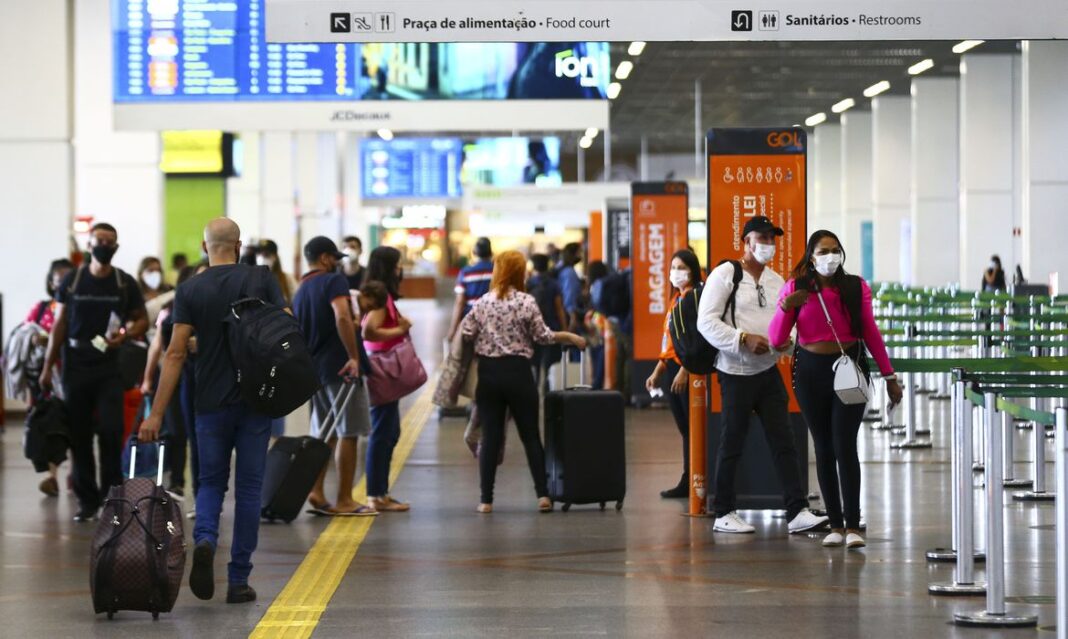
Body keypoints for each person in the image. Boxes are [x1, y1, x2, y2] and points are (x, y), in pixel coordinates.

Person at [139, 218, 287, 605]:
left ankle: (205, 539)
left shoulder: (189, 289)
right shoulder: (261, 279)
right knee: (250, 488)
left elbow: (173, 353)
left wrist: (155, 414)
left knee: (210, 483)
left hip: (209, 402)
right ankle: (238, 579)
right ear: (238, 245)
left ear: (206, 248)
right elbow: (287, 329)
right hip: (256, 399)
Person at [770, 230, 903, 550]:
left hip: (850, 369)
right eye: (823, 251)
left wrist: (889, 376)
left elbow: (870, 331)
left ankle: (853, 525)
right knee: (824, 447)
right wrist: (786, 306)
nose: (830, 256)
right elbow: (777, 340)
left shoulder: (856, 287)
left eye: (835, 250)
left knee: (845, 445)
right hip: (810, 372)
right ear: (811, 257)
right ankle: (835, 522)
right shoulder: (796, 287)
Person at [696, 216, 827, 536]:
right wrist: (742, 339)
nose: (767, 243)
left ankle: (796, 510)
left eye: (772, 238)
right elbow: (706, 322)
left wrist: (788, 343)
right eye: (761, 237)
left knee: (784, 440)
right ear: (746, 241)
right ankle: (723, 511)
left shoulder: (775, 280)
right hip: (735, 373)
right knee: (732, 441)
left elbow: (789, 322)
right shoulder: (726, 274)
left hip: (768, 372)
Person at [460, 250, 587, 514]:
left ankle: (486, 500)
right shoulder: (526, 302)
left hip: (489, 375)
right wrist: (570, 337)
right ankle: (543, 496)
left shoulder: (483, 302)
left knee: (490, 437)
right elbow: (543, 336)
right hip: (519, 373)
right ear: (520, 272)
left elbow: (466, 332)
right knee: (530, 436)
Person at [39, 223, 148, 522]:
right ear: (89, 245)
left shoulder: (123, 283)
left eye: (110, 241)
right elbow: (59, 324)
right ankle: (87, 501)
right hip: (75, 365)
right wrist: (48, 366)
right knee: (80, 435)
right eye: (100, 240)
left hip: (109, 366)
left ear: (116, 246)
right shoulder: (72, 281)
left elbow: (142, 320)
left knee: (112, 432)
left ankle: (112, 498)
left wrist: (125, 334)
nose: (104, 245)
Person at [293, 237, 376, 517]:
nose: (339, 262)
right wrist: (353, 356)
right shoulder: (333, 281)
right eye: (335, 258)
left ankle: (316, 491)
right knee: (348, 433)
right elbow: (342, 317)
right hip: (340, 368)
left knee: (325, 434)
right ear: (326, 258)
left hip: (314, 370)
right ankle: (344, 499)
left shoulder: (301, 288)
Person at [140, 264, 203, 497]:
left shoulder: (214, 309)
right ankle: (177, 481)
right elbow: (158, 346)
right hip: (173, 378)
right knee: (177, 431)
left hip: (200, 378)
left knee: (198, 436)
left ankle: (200, 490)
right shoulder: (170, 309)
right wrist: (147, 379)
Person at [362, 246, 414, 513]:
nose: (399, 269)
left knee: (390, 430)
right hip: (381, 368)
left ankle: (381, 492)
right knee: (383, 431)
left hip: (382, 368)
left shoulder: (379, 291)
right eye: (397, 264)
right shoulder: (380, 292)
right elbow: (369, 332)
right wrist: (400, 329)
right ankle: (375, 494)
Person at [645, 250, 701, 499]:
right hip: (672, 371)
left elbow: (699, 339)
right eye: (673, 267)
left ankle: (695, 478)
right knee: (685, 430)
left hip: (686, 373)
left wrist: (685, 370)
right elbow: (668, 340)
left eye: (681, 267)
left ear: (693, 270)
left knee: (693, 428)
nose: (676, 272)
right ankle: (688, 477)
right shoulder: (676, 299)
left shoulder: (696, 299)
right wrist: (658, 369)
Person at [25, 258, 75, 497]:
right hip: (47, 377)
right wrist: (37, 339)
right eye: (58, 281)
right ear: (51, 282)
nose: (61, 286)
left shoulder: (79, 307)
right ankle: (52, 476)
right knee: (52, 425)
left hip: (76, 374)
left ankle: (76, 474)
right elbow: (25, 334)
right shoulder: (41, 308)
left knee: (77, 425)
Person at [256, 239, 297, 439]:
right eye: (261, 253)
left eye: (267, 254)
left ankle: (276, 436)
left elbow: (294, 306)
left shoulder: (285, 279)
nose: (264, 258)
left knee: (277, 390)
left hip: (279, 344)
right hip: (256, 345)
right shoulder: (250, 278)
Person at [527, 253, 567, 392]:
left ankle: (534, 387)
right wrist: (564, 329)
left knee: (534, 363)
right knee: (549, 363)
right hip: (551, 328)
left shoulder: (529, 283)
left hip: (532, 329)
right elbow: (559, 308)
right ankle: (546, 389)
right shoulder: (554, 283)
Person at [447, 237, 494, 342]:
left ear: (474, 252)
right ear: (491, 253)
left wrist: (453, 329)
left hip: (471, 318)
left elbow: (460, 302)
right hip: (493, 318)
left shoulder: (466, 272)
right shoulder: (497, 271)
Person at [584, 261, 610, 389]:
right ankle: (597, 383)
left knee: (597, 353)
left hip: (595, 323)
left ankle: (596, 382)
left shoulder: (595, 285)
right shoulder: (603, 284)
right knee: (600, 353)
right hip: (602, 323)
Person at [558, 242, 585, 333]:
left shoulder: (560, 268)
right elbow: (569, 294)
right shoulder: (569, 272)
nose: (581, 255)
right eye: (579, 252)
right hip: (569, 315)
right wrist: (573, 318)